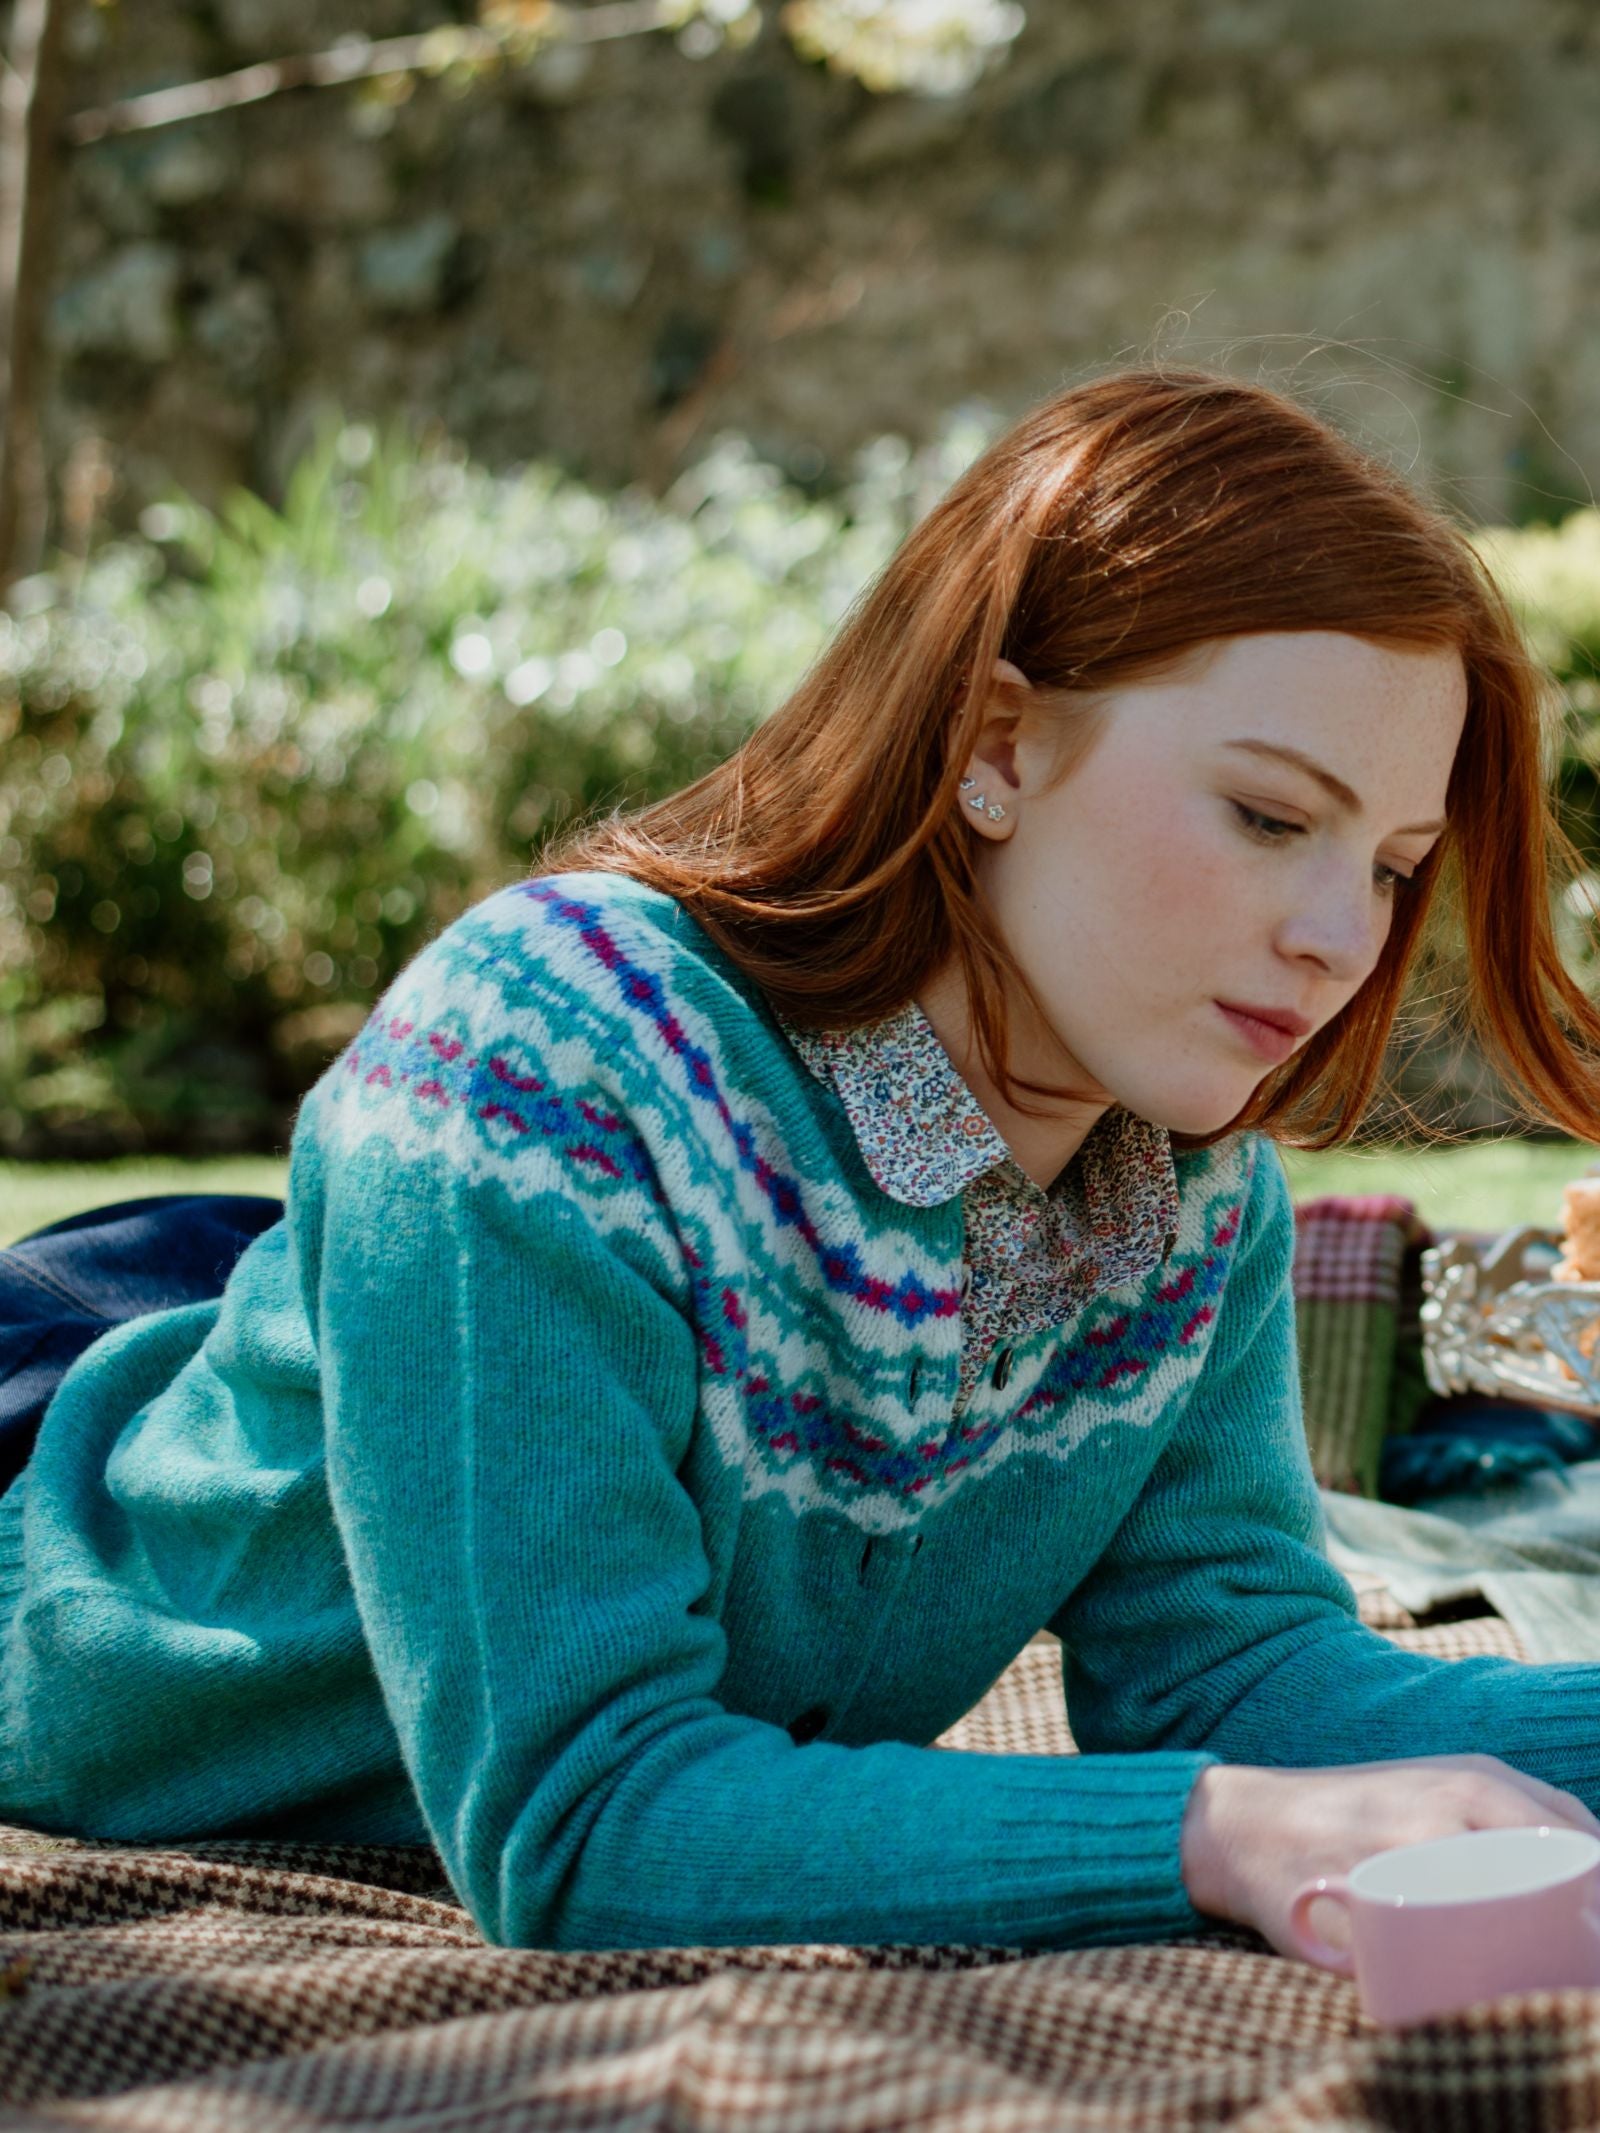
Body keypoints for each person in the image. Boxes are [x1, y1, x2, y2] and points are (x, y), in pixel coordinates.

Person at [6, 364, 1600, 1965]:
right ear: (997, 741)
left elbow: (1237, 1677)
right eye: (1269, 815)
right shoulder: (541, 1058)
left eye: (1392, 866)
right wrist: (1215, 1833)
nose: (1339, 937)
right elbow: (585, 1817)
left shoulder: (1190, 1199)